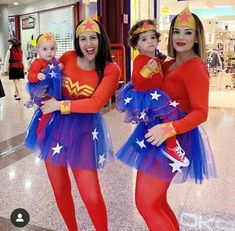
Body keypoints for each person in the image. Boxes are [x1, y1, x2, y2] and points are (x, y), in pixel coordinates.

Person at [116, 7, 216, 231]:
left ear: (197, 37)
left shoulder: (195, 67)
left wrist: (169, 129)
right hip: (154, 136)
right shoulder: (169, 63)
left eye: (188, 33)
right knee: (156, 202)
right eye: (176, 32)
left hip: (172, 139)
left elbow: (201, 112)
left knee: (146, 204)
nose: (181, 38)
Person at [24, 17, 120, 231]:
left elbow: (95, 104)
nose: (88, 44)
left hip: (85, 132)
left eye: (92, 38)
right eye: (83, 38)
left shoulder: (111, 69)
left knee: (91, 194)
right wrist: (38, 91)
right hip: (54, 129)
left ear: (100, 39)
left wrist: (59, 105)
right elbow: (44, 79)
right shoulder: (67, 57)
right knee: (59, 189)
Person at [116, 19, 189, 169]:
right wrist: (146, 70)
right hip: (148, 95)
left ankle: (149, 146)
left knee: (153, 123)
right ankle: (171, 146)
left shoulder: (155, 58)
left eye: (152, 38)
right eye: (144, 39)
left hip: (154, 94)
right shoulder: (140, 59)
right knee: (170, 115)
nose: (150, 41)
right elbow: (137, 80)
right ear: (136, 45)